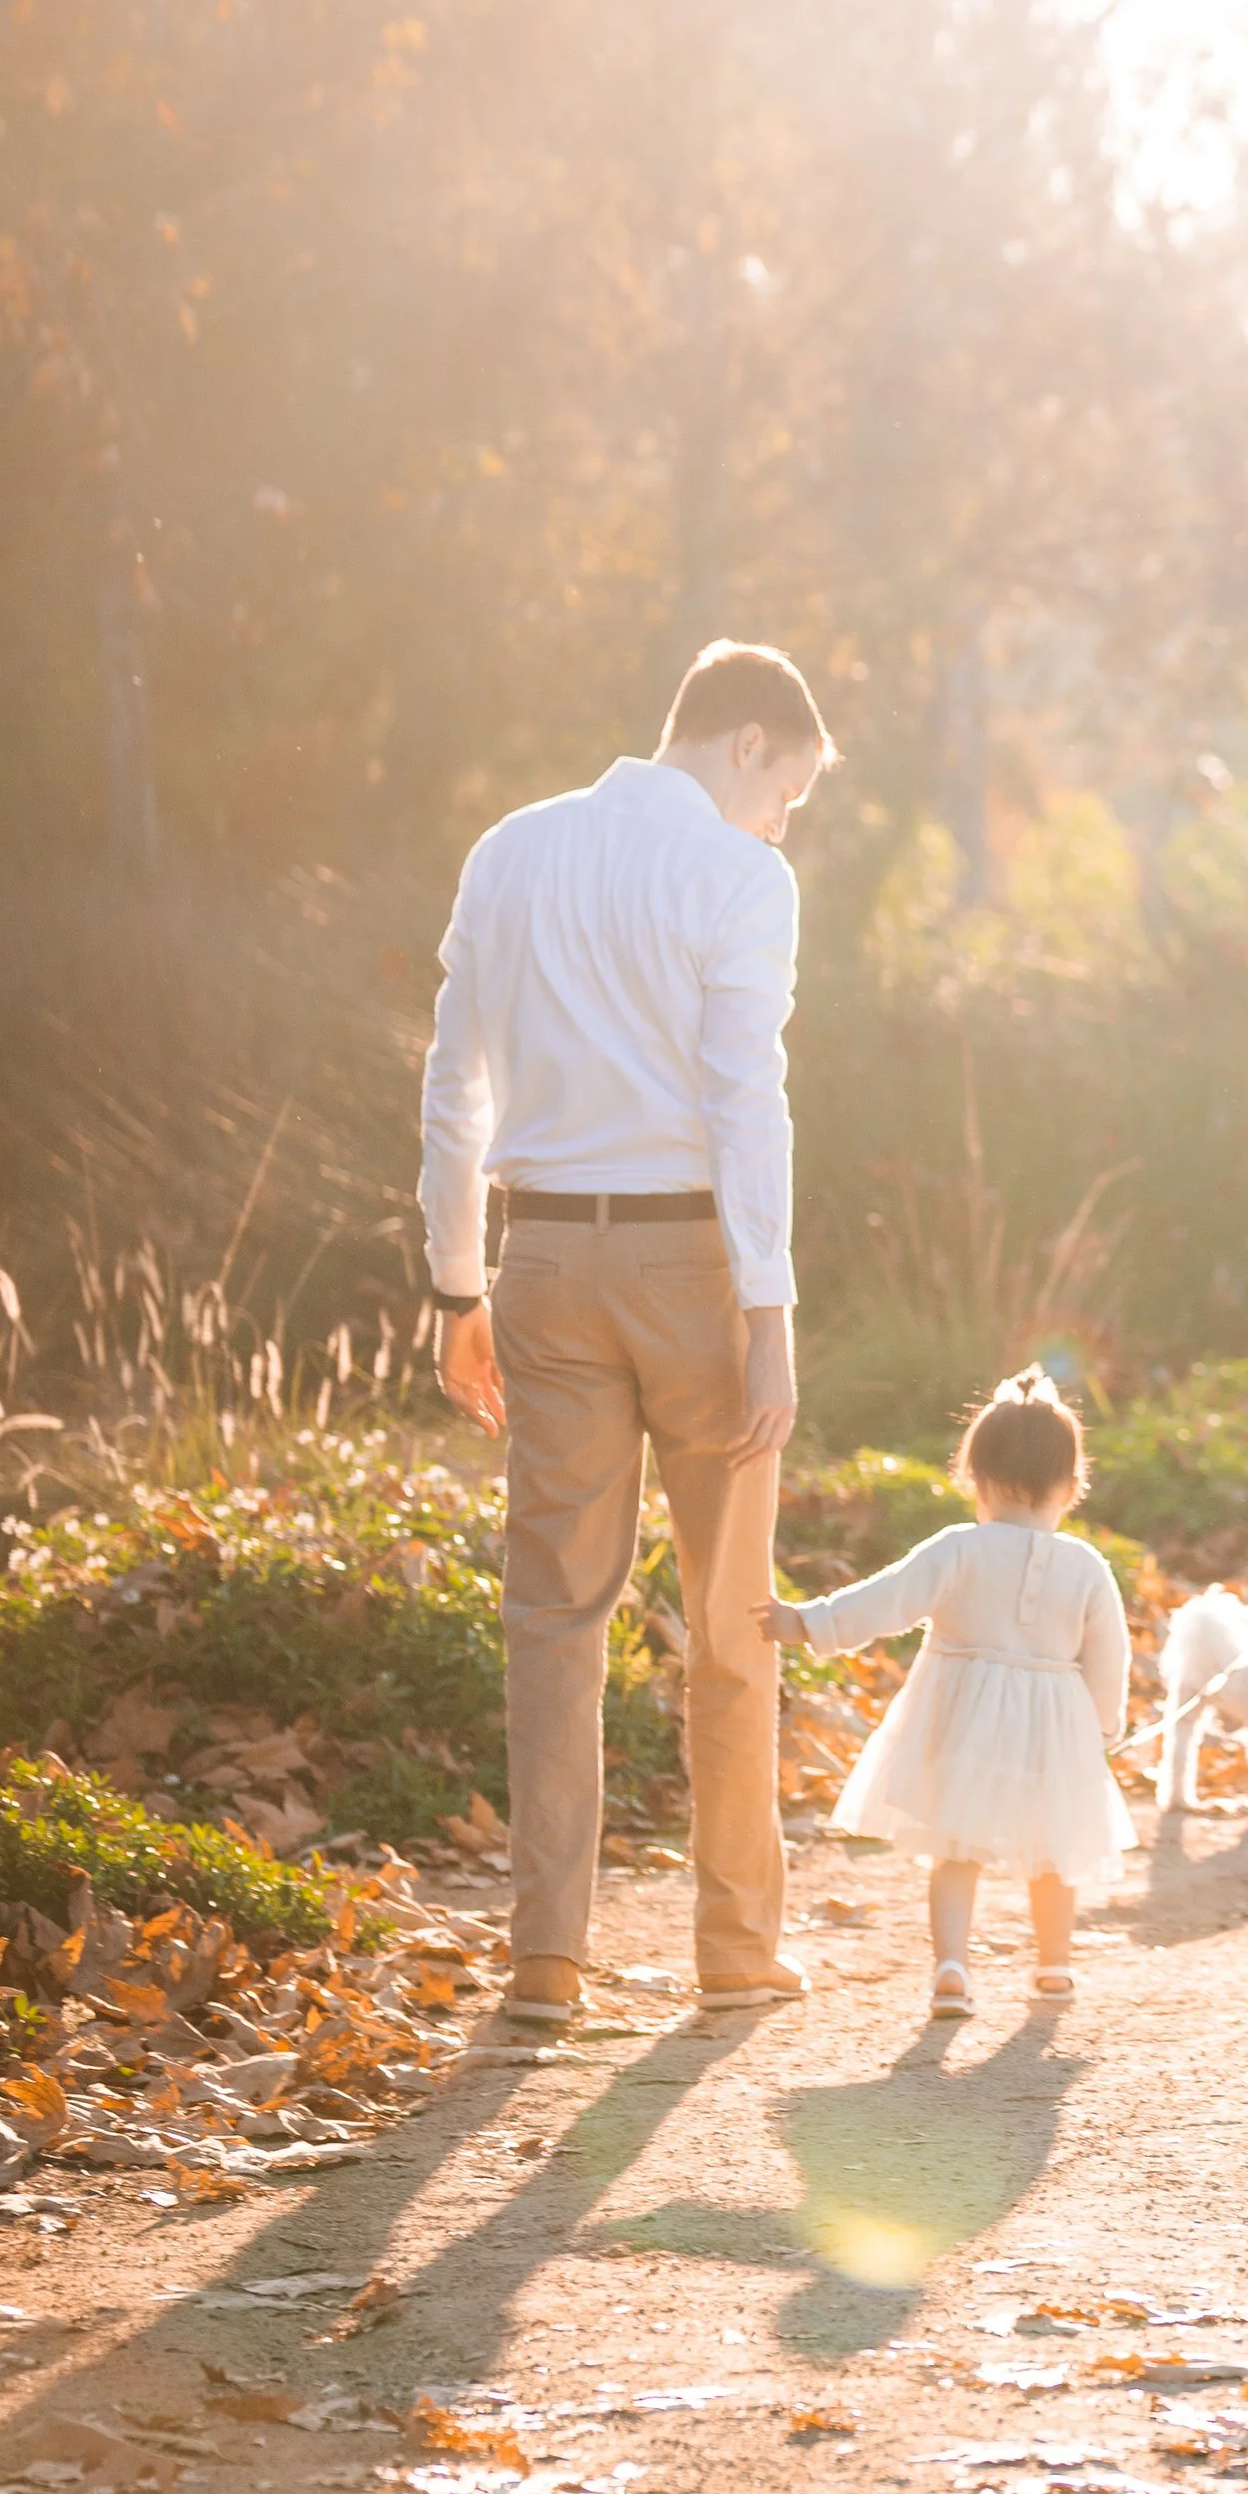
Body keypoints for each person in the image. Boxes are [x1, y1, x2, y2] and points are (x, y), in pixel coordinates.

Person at [419, 639, 836, 2027]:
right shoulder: (738, 873)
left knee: (552, 1610)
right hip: (695, 1264)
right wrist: (770, 1310)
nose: (784, 822)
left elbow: (453, 1080)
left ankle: (547, 1958)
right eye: (789, 791)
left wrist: (454, 1282)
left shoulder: (510, 849)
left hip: (538, 1259)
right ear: (746, 746)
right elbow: (747, 1099)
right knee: (731, 1612)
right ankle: (734, 1941)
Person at [757, 1369, 1134, 2020]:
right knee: (1054, 1850)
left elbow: (887, 1600)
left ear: (976, 1480)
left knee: (955, 1847)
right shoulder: (1086, 1566)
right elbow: (1110, 1657)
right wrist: (1105, 1729)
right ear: (1072, 1488)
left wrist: (809, 1621)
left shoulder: (958, 1549)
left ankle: (953, 1968)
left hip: (964, 1719)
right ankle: (1054, 1966)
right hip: (1054, 1727)